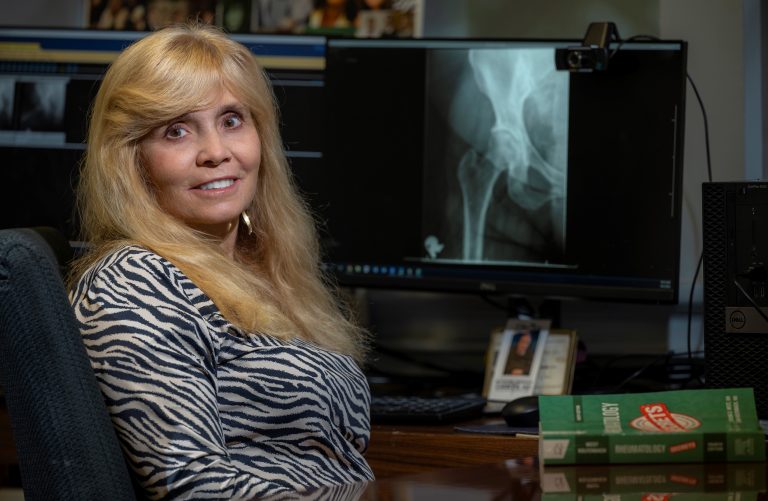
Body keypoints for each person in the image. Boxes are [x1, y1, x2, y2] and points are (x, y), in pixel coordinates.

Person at [68, 22, 373, 499]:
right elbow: (197, 488)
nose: (215, 153)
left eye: (231, 120)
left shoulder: (261, 267)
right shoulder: (131, 281)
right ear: (132, 160)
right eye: (176, 131)